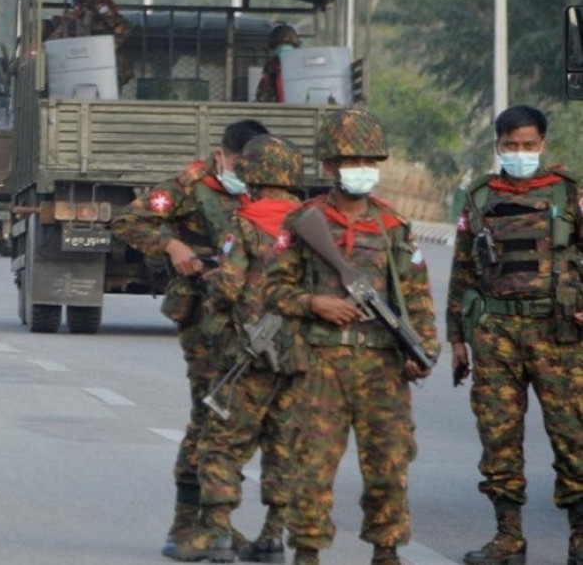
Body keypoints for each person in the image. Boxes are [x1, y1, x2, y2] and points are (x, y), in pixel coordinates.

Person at [264, 108, 438, 565]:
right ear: (329, 166)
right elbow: (271, 290)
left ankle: (387, 551)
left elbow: (416, 299)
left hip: (383, 368)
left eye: (369, 161)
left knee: (389, 466)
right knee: (312, 466)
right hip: (320, 366)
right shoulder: (303, 222)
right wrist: (314, 304)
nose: (362, 168)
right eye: (351, 160)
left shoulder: (393, 226)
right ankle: (306, 552)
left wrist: (423, 351)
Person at [110, 119, 267, 557]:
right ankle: (186, 525)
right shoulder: (190, 187)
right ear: (222, 155)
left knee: (238, 419)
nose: (245, 172)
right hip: (203, 314)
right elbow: (128, 220)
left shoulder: (263, 191)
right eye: (239, 163)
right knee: (210, 412)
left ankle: (217, 523)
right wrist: (172, 245)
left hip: (249, 315)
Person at [448, 105, 583, 565]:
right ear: (498, 145)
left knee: (573, 437)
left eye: (528, 145)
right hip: (497, 334)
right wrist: (457, 340)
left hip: (559, 335)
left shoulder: (569, 192)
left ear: (542, 144)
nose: (520, 153)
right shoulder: (480, 197)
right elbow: (462, 271)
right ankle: (508, 538)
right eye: (511, 145)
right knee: (498, 436)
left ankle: (580, 539)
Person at [164, 134, 305, 562]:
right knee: (284, 441)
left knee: (221, 442)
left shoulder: (244, 222)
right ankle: (273, 536)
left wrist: (213, 287)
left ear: (252, 173)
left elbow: (228, 288)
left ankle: (218, 534)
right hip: (299, 352)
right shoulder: (315, 221)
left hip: (249, 351)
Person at [255, 25, 301, 103]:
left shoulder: (301, 65)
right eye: (280, 44)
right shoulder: (270, 67)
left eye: (288, 43)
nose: (284, 47)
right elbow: (262, 96)